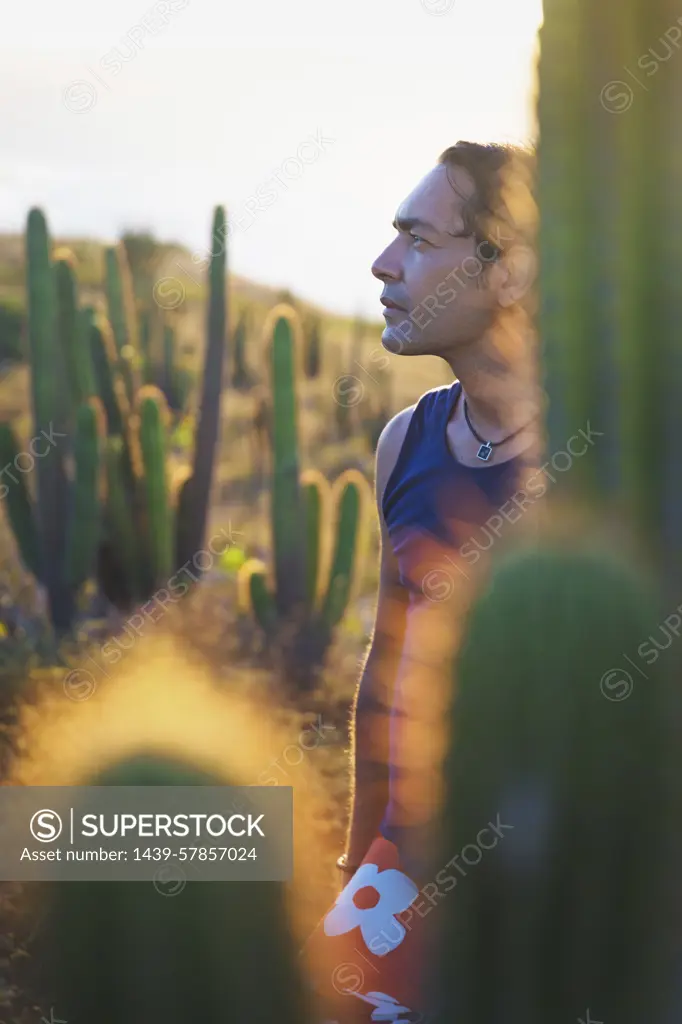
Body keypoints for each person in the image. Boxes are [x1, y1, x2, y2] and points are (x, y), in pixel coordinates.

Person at [338, 140, 542, 890]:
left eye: (418, 239)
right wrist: (359, 865)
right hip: (407, 866)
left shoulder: (611, 462)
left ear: (509, 271)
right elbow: (386, 679)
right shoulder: (405, 441)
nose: (385, 263)